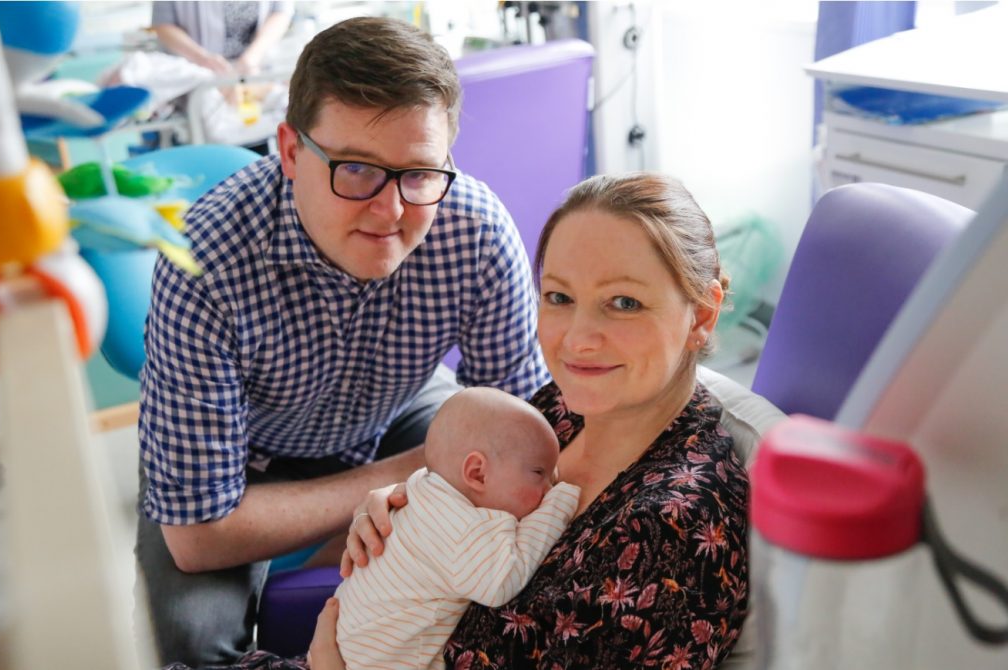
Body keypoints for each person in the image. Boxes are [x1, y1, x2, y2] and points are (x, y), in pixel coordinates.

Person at [164, 172, 750, 670]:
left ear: (701, 315)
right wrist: (406, 507)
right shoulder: (560, 412)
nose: (577, 338)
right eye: (559, 297)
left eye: (624, 302)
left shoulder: (673, 527)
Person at [139, 16, 548, 667]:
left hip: (403, 412)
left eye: (418, 173)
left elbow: (531, 428)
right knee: (193, 647)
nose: (389, 212)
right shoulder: (205, 256)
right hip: (252, 450)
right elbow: (196, 536)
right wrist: (416, 472)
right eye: (356, 169)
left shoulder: (474, 230)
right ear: (291, 151)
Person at [334, 387, 580, 669]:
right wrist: (559, 503)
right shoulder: (461, 530)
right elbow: (501, 582)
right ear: (477, 473)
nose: (548, 487)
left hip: (347, 641)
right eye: (539, 474)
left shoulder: (424, 488)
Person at [151, 1, 294, 77]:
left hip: (258, 65)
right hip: (198, 70)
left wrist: (253, 56)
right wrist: (202, 58)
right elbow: (163, 24)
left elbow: (281, 12)